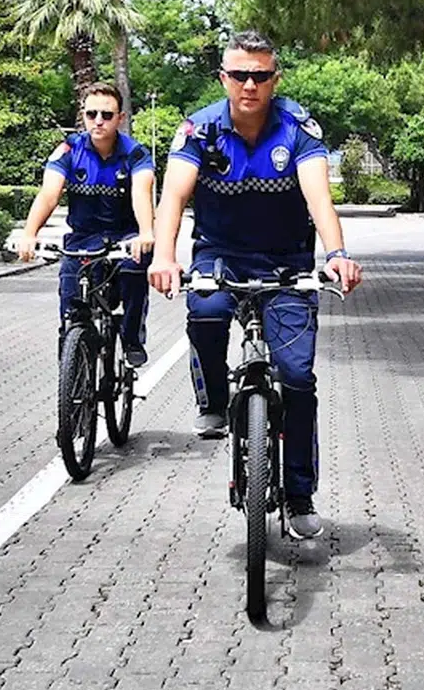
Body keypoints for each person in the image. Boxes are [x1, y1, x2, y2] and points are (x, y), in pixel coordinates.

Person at [148, 30, 362, 540]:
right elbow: (173, 199)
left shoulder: (297, 128)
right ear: (224, 78)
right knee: (205, 312)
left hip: (287, 264)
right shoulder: (198, 130)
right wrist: (162, 255)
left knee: (298, 377)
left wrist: (336, 255)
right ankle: (214, 403)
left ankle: (300, 494)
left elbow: (318, 199)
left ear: (275, 79)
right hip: (219, 255)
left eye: (260, 75)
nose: (250, 85)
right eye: (239, 75)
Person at [15, 83, 156, 367]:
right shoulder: (68, 150)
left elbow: (141, 193)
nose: (99, 121)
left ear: (121, 118)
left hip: (124, 238)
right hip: (82, 240)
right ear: (83, 115)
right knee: (71, 303)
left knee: (134, 273)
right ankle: (72, 359)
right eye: (92, 114)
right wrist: (29, 233)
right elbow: (49, 194)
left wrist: (146, 233)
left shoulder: (136, 154)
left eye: (107, 114)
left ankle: (131, 338)